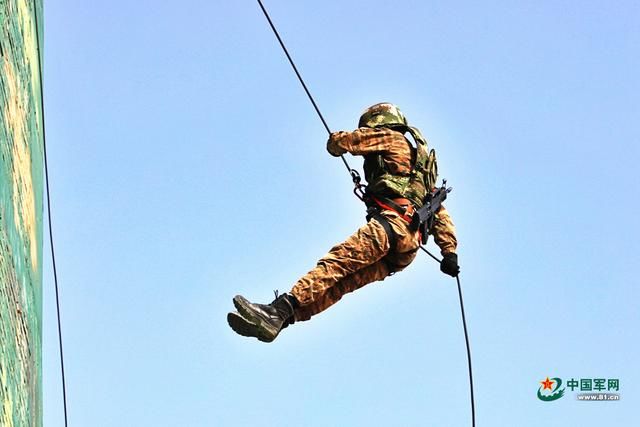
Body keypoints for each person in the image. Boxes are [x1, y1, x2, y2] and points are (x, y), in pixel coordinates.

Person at [227, 103, 459, 342]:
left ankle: (277, 311)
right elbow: (440, 214)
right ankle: (283, 320)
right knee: (341, 285)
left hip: (391, 226)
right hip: (407, 249)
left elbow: (345, 143)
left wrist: (336, 141)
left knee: (336, 264)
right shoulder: (421, 170)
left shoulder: (391, 138)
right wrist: (449, 253)